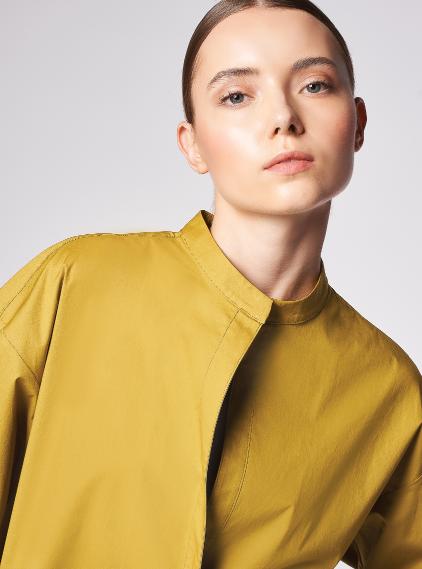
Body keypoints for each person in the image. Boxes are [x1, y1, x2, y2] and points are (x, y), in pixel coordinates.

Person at [0, 1, 420, 568]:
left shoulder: (387, 387)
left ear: (358, 123)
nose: (283, 118)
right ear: (192, 143)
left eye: (315, 85)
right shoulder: (76, 283)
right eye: (237, 96)